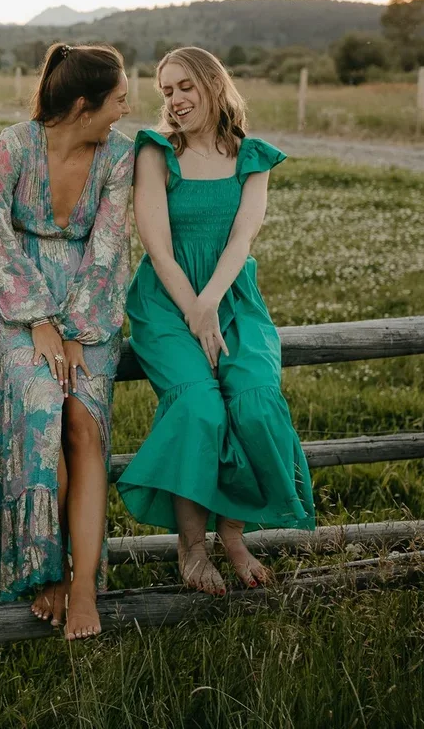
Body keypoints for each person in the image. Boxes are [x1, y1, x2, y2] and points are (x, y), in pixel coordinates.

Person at [116, 47, 315, 595]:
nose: (175, 101)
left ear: (212, 84)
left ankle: (232, 534)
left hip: (233, 297)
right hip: (166, 299)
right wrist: (192, 310)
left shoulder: (252, 156)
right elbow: (156, 247)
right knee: (200, 406)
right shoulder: (156, 152)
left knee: (254, 402)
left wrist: (212, 306)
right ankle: (193, 546)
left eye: (185, 88)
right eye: (166, 92)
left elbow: (242, 237)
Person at [0, 44, 134, 640]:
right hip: (20, 306)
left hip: (92, 307)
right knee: (42, 416)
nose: (127, 106)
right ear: (85, 104)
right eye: (119, 97)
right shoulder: (11, 148)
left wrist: (75, 329)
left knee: (83, 427)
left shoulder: (121, 155)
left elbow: (111, 246)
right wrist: (38, 318)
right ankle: (49, 566)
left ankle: (84, 583)